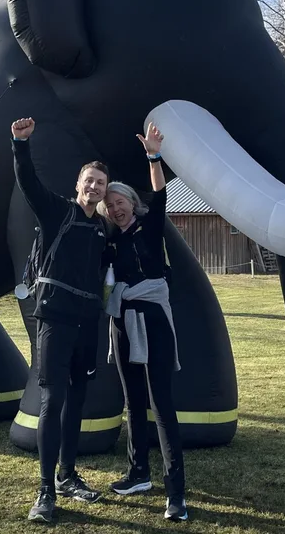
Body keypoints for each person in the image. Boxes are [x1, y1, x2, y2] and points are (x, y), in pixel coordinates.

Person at [11, 117, 109, 524]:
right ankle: (45, 490)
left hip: (88, 324)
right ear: (78, 184)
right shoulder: (59, 212)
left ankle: (68, 475)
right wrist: (20, 145)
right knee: (53, 401)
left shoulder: (103, 229)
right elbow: (29, 184)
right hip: (54, 320)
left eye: (100, 183)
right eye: (89, 181)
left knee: (77, 399)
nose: (94, 187)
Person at [99, 121, 188, 522]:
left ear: (132, 203)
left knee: (161, 405)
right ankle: (138, 474)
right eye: (110, 205)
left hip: (152, 319)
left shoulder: (150, 226)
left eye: (120, 201)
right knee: (132, 401)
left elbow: (160, 192)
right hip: (122, 321)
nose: (116, 208)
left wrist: (153, 156)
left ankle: (176, 493)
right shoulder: (110, 241)